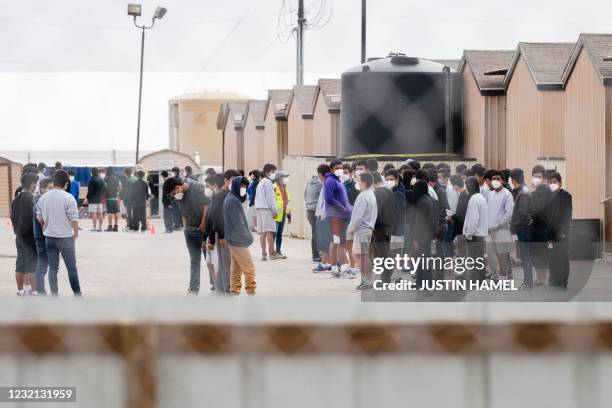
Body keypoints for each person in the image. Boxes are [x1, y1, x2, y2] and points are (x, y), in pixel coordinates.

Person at [36, 170, 81, 296]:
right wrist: (76, 233)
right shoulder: (68, 197)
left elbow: (39, 217)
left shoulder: (44, 197)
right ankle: (77, 295)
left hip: (49, 238)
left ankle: (54, 295)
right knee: (71, 268)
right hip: (66, 238)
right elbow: (74, 218)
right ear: (66, 183)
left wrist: (45, 227)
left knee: (53, 269)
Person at [164, 176, 211, 295]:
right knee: (194, 260)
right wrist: (185, 229)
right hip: (190, 231)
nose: (175, 195)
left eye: (174, 192)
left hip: (203, 229)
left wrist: (203, 223)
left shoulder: (197, 187)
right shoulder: (179, 196)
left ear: (178, 187)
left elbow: (207, 205)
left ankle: (216, 286)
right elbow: (183, 212)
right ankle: (194, 288)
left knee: (209, 260)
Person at [224, 176, 256, 295]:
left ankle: (234, 291)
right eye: (242, 186)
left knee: (236, 269)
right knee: (249, 269)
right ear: (237, 186)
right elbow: (238, 223)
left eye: (246, 187)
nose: (244, 189)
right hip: (238, 240)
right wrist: (247, 237)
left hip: (233, 239)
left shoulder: (231, 198)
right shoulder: (233, 201)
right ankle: (251, 291)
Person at [11, 172, 39, 295]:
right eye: (36, 184)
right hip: (30, 237)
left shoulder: (16, 199)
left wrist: (17, 230)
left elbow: (13, 218)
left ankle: (20, 290)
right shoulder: (31, 198)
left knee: (20, 264)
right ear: (33, 184)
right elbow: (34, 219)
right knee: (32, 266)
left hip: (19, 236)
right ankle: (31, 291)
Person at [348, 172, 377, 289]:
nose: (357, 183)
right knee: (362, 255)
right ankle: (366, 280)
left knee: (360, 256)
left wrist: (351, 229)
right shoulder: (371, 194)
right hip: (368, 229)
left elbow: (357, 217)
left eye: (358, 181)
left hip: (361, 230)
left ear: (363, 183)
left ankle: (367, 281)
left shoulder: (363, 196)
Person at [206, 173, 233, 294]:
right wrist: (219, 236)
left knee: (223, 262)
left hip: (224, 233)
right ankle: (225, 287)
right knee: (224, 262)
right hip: (222, 234)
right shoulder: (220, 196)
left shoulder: (224, 195)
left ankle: (222, 287)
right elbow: (214, 217)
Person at [325, 160, 352, 272]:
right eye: (337, 168)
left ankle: (335, 268)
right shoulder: (330, 181)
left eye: (341, 167)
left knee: (337, 242)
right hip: (336, 216)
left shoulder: (337, 180)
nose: (339, 169)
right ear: (331, 169)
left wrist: (350, 208)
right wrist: (343, 208)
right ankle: (343, 268)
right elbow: (329, 199)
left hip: (341, 216)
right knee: (340, 242)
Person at [487, 170, 515, 280]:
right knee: (491, 254)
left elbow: (509, 213)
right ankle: (495, 276)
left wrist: (497, 224)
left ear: (503, 181)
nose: (495, 181)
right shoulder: (490, 194)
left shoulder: (507, 194)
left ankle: (504, 277)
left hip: (502, 230)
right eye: (493, 179)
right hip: (490, 230)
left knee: (502, 254)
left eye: (498, 179)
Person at [546, 172, 572, 290]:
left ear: (560, 183)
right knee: (552, 256)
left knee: (562, 257)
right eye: (550, 182)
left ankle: (562, 282)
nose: (552, 184)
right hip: (550, 233)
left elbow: (567, 215)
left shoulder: (565, 196)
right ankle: (553, 279)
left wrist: (562, 231)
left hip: (562, 233)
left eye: (554, 182)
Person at [509, 168, 533, 289]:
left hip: (523, 230)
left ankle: (528, 283)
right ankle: (527, 282)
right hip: (524, 229)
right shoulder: (524, 191)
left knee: (526, 257)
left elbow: (523, 214)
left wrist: (513, 226)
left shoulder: (522, 193)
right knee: (525, 256)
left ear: (513, 179)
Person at [410, 179, 438, 287]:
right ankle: (428, 281)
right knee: (426, 259)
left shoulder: (422, 202)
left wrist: (416, 238)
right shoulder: (431, 200)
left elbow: (419, 222)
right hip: (430, 235)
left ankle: (421, 283)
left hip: (422, 236)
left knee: (421, 260)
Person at [529, 165, 553, 287]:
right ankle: (539, 278)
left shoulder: (547, 191)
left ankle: (542, 279)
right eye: (534, 176)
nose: (536, 178)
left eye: (539, 176)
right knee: (535, 255)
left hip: (543, 228)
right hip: (534, 228)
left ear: (543, 178)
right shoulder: (534, 192)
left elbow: (541, 209)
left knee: (541, 254)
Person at [463, 177, 488, 282]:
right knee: (479, 258)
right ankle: (480, 279)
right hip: (480, 235)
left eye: (466, 186)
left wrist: (468, 234)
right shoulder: (480, 197)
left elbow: (473, 219)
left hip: (474, 235)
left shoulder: (474, 199)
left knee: (475, 259)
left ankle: (476, 280)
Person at [371, 172, 395, 283]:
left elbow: (375, 212)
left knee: (382, 252)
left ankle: (386, 277)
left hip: (379, 227)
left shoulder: (375, 194)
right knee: (386, 250)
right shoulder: (389, 192)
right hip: (389, 225)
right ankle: (387, 275)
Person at [255, 164, 281, 260]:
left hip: (259, 209)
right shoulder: (268, 183)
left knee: (262, 232)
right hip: (266, 209)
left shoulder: (260, 183)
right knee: (270, 231)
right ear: (267, 172)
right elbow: (270, 199)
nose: (274, 174)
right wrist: (274, 210)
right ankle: (272, 253)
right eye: (273, 172)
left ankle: (263, 253)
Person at [384, 169, 406, 280]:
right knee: (392, 251)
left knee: (396, 251)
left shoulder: (398, 193)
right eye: (387, 179)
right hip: (389, 227)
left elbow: (398, 212)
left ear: (397, 179)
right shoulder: (389, 191)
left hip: (396, 228)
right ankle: (394, 271)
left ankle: (397, 273)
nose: (389, 181)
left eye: (391, 179)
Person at [312, 165, 333, 273]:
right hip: (325, 215)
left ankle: (323, 264)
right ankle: (328, 263)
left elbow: (328, 201)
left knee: (324, 241)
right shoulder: (329, 182)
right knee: (327, 241)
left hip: (324, 216)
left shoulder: (328, 184)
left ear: (320, 174)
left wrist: (324, 214)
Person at [33, 178, 52, 295]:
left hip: (43, 236)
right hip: (42, 237)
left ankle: (40, 289)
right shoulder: (39, 201)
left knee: (44, 264)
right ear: (42, 189)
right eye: (49, 188)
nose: (51, 191)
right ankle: (40, 290)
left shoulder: (41, 199)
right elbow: (40, 219)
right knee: (42, 264)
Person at [304, 169, 323, 263]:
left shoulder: (309, 183)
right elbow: (323, 198)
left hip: (309, 210)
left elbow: (305, 194)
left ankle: (316, 254)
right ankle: (316, 256)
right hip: (315, 211)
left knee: (315, 233)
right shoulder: (320, 184)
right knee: (316, 233)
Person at [449, 175, 470, 258]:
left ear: (455, 185)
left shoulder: (464, 196)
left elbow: (461, 214)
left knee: (463, 251)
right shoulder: (464, 194)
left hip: (462, 228)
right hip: (462, 228)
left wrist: (452, 217)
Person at [273, 171, 291, 258]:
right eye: (283, 177)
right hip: (276, 215)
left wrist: (289, 215)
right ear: (278, 178)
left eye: (285, 177)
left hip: (283, 214)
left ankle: (278, 251)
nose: (284, 179)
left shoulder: (285, 188)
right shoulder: (274, 187)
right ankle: (271, 252)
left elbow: (287, 202)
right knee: (274, 234)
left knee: (279, 234)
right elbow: (273, 201)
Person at [103, 167, 121, 232]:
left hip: (108, 197)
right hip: (115, 197)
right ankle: (116, 226)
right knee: (116, 212)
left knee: (110, 212)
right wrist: (116, 191)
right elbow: (120, 188)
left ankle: (110, 226)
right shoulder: (117, 178)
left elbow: (104, 187)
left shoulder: (106, 178)